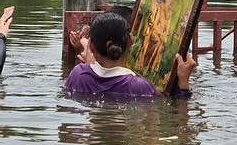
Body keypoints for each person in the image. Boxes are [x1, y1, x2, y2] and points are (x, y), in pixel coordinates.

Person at [64, 12, 195, 99]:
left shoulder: (78, 74)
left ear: (90, 45)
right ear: (131, 43)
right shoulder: (140, 86)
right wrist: (183, 82)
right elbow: (176, 112)